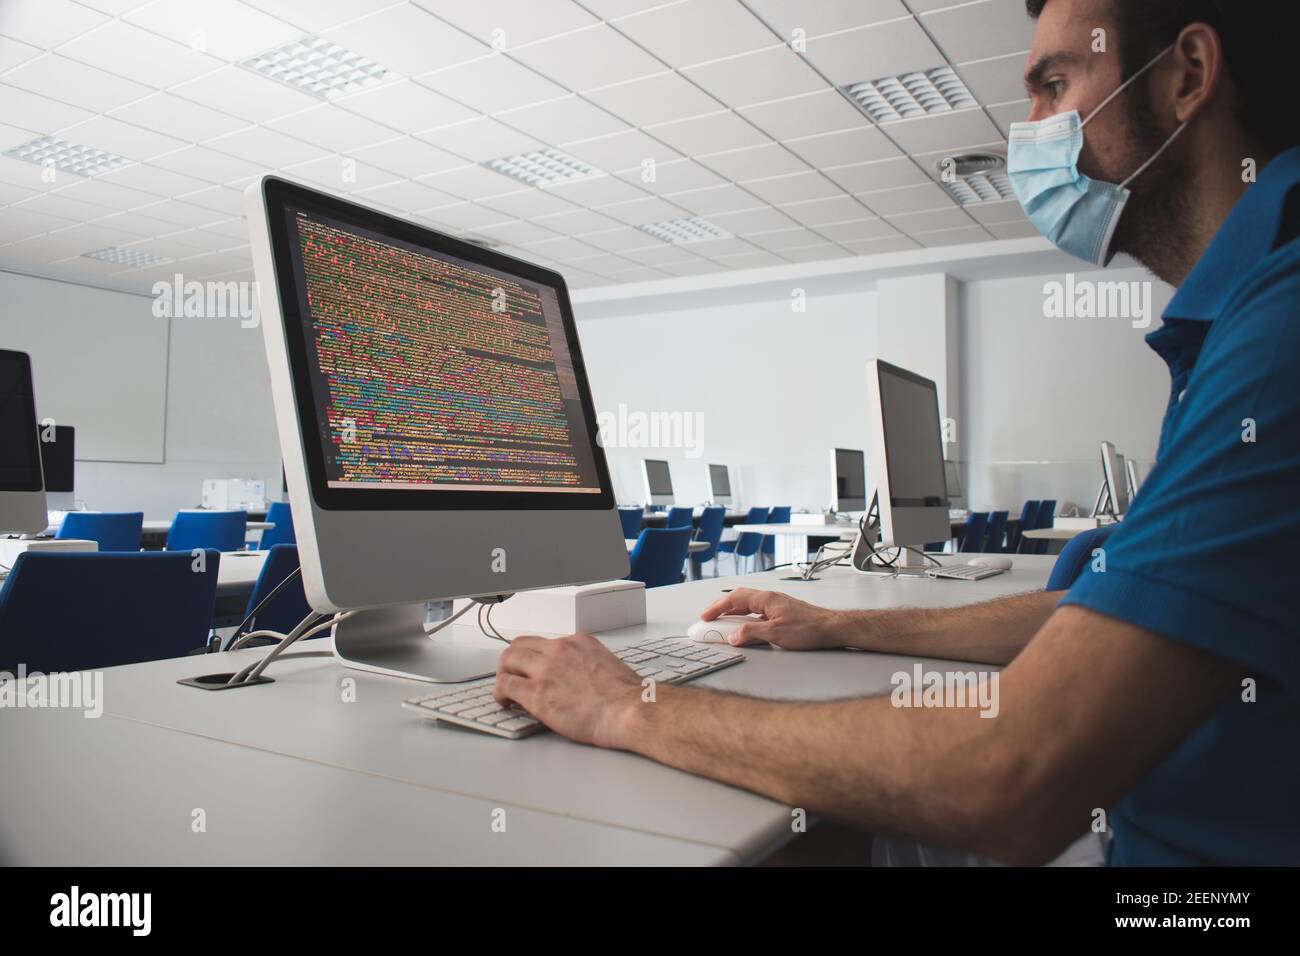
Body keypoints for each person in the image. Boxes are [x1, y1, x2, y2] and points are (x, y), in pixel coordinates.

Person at [492, 0, 1300, 866]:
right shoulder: (1240, 318)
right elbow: (1087, 618)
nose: (1029, 130)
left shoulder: (1281, 327)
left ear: (1186, 77)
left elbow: (1006, 770)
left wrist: (627, 706)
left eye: (1054, 85)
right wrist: (841, 628)